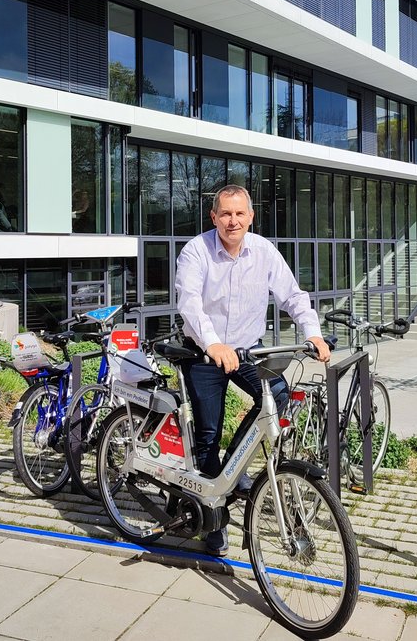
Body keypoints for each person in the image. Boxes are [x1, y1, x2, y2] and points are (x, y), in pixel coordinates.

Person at [175, 184, 330, 557]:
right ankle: (214, 517)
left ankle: (236, 463)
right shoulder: (196, 251)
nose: (232, 221)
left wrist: (313, 334)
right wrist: (212, 343)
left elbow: (293, 296)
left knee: (276, 394)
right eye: (225, 214)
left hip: (246, 352)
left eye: (239, 214)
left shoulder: (263, 250)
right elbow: (190, 302)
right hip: (204, 352)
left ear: (250, 216)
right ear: (214, 217)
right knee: (208, 434)